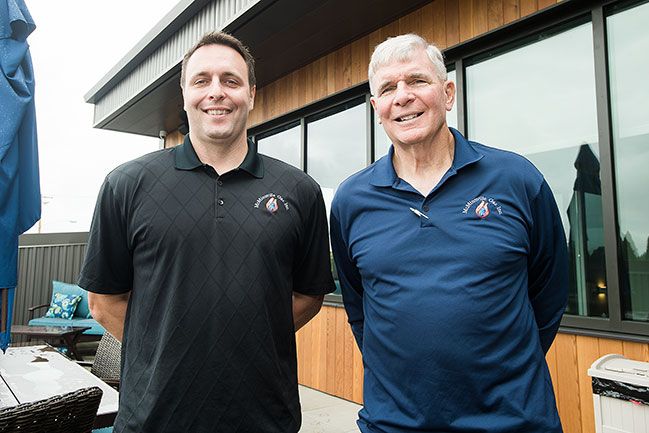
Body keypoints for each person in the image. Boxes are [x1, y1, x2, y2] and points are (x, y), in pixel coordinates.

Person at [79, 31, 335, 433]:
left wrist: (251, 337)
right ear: (184, 93)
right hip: (154, 419)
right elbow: (103, 301)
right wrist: (166, 348)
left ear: (251, 93)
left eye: (230, 81)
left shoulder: (298, 191)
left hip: (265, 418)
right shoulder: (126, 185)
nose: (216, 92)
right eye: (202, 80)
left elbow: (308, 295)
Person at [330, 34, 568, 433]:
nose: (402, 96)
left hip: (514, 422)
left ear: (448, 92)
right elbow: (361, 309)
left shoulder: (517, 179)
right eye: (388, 88)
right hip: (395, 425)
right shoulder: (352, 200)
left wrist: (504, 365)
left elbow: (549, 294)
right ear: (377, 109)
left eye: (417, 81)